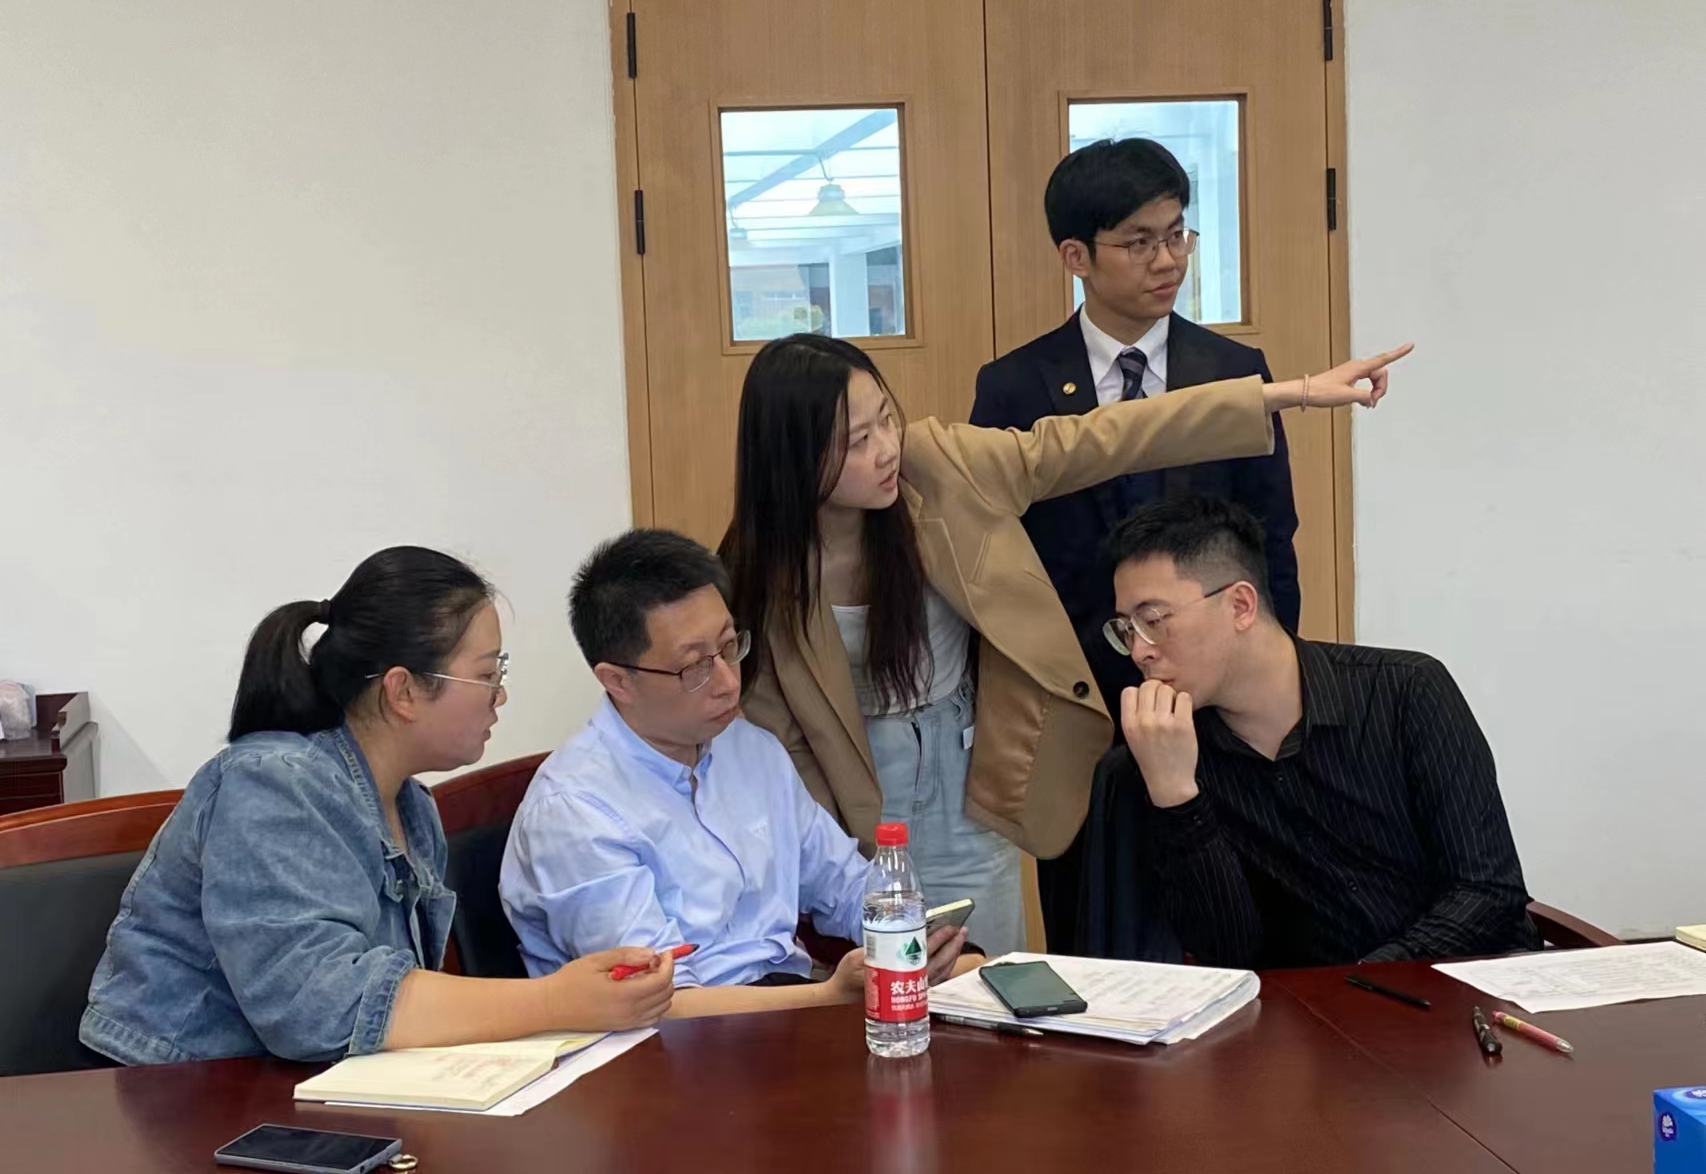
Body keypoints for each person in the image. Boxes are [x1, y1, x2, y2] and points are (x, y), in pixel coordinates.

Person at [719, 331, 1408, 958]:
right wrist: (840, 856)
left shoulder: (941, 466)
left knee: (985, 979)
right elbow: (786, 746)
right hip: (851, 800)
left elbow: (1099, 438)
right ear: (795, 459)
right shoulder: (758, 578)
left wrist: (1283, 395)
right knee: (885, 988)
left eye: (885, 419)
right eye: (856, 440)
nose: (886, 449)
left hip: (967, 779)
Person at [81, 547, 676, 1066]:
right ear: (403, 690)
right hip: (177, 1094)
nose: (500, 696)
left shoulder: (413, 807)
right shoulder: (272, 784)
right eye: (486, 673)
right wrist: (555, 1000)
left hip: (305, 1092)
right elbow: (319, 1010)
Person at [969, 137, 1301, 952]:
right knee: (1093, 932)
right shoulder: (1014, 386)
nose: (1168, 259)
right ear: (1075, 256)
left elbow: (1272, 544)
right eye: (1140, 241)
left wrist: (1259, 684)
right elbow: (996, 562)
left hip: (1213, 706)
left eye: (1178, 233)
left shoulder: (1234, 373)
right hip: (1078, 713)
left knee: (1230, 924)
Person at [499, 529, 974, 1017]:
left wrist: (915, 937)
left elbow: (847, 885)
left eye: (729, 648)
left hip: (786, 1007)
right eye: (694, 667)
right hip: (669, 1045)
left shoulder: (750, 749)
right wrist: (831, 994)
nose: (728, 682)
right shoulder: (574, 811)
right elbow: (662, 1006)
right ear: (618, 681)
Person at [1097, 496, 1541, 969]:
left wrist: (1367, 983)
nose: (1139, 652)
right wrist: (1177, 796)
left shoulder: (1407, 691)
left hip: (1468, 989)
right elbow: (1227, 954)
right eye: (1127, 629)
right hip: (1310, 1011)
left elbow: (1488, 890)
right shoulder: (1168, 755)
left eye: (1153, 621)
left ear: (1240, 605)